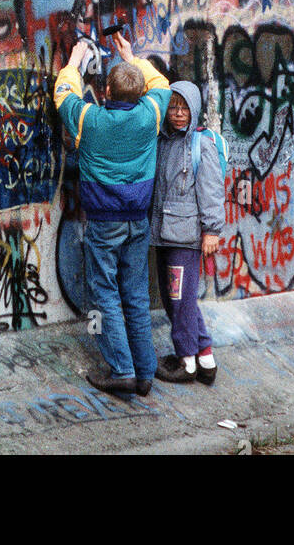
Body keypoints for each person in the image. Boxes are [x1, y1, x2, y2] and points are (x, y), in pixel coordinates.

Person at [54, 34, 171, 397]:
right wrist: (132, 58)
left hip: (104, 222)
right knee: (135, 293)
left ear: (105, 91)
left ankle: (121, 368)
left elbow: (63, 95)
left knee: (104, 292)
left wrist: (73, 61)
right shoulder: (150, 114)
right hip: (138, 219)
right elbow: (161, 84)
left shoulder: (90, 119)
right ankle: (145, 371)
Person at [150, 81, 224, 385]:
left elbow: (211, 191)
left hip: (186, 239)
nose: (178, 114)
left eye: (184, 108)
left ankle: (187, 364)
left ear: (194, 110)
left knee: (179, 300)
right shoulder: (163, 142)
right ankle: (205, 359)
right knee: (177, 300)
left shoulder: (200, 144)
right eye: (173, 107)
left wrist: (212, 231)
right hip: (164, 235)